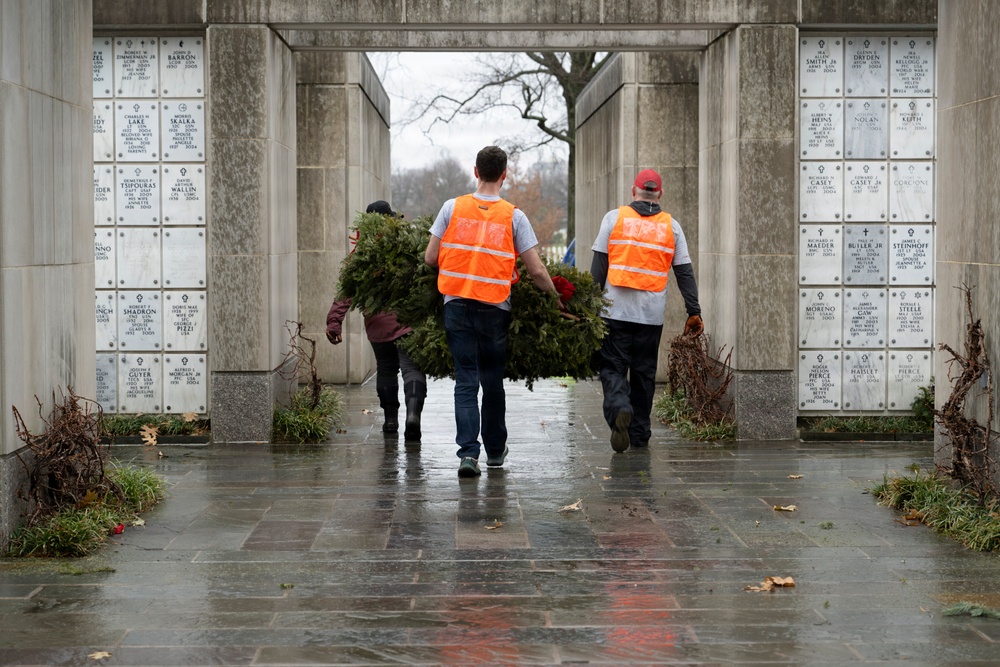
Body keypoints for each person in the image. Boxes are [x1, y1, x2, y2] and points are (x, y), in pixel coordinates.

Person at [425, 146, 566, 478]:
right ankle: (495, 453)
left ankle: (468, 455)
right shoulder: (513, 216)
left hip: (456, 306)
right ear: (504, 174)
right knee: (491, 382)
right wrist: (555, 296)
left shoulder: (451, 208)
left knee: (465, 381)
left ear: (476, 171)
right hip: (494, 311)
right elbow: (536, 271)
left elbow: (431, 258)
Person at [590, 169, 704, 453]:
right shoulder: (671, 226)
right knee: (643, 374)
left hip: (614, 310)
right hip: (650, 315)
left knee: (612, 367)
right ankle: (640, 434)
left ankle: (619, 409)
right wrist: (694, 311)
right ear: (660, 194)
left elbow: (599, 266)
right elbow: (684, 272)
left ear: (633, 191)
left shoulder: (613, 218)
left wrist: (589, 305)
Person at [327, 200, 427, 441]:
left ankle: (391, 421)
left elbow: (345, 292)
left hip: (378, 326)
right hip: (407, 321)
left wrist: (334, 321)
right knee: (412, 369)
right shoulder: (405, 248)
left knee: (386, 370)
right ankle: (413, 416)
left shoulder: (361, 254)